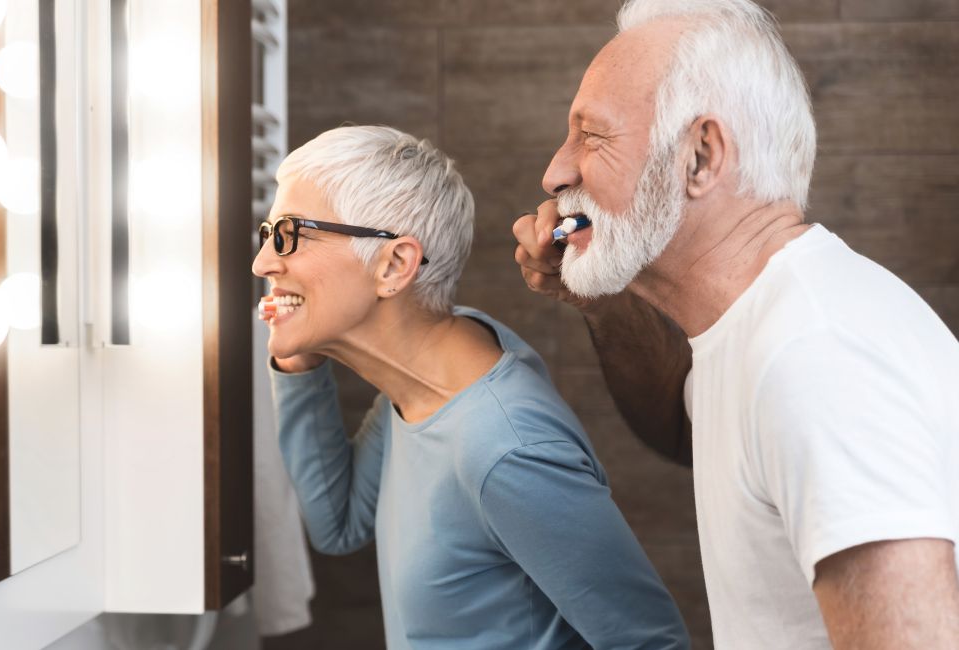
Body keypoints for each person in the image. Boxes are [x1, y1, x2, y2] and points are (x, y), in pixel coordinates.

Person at [512, 1, 959, 648]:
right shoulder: (753, 330)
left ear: (700, 156)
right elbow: (685, 430)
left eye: (594, 136)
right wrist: (601, 298)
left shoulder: (816, 357)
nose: (556, 172)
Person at [252, 125, 689, 649]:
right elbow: (340, 524)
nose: (263, 262)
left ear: (393, 265)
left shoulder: (506, 449)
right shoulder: (431, 373)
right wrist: (300, 357)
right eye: (267, 233)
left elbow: (651, 642)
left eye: (291, 235)